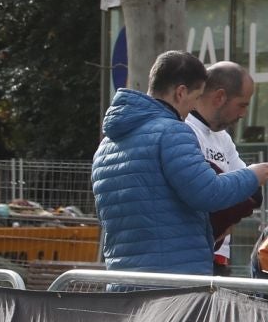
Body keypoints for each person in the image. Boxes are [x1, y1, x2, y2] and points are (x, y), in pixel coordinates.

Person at [94, 50, 268, 275]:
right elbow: (208, 192)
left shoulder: (106, 145)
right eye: (196, 99)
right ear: (181, 93)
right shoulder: (174, 131)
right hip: (175, 277)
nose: (193, 110)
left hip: (123, 274)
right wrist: (254, 174)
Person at [187, 61, 259, 275]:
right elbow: (199, 194)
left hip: (218, 255)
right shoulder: (184, 130)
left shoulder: (223, 137)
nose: (244, 114)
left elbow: (253, 191)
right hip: (193, 254)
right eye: (242, 104)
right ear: (219, 97)